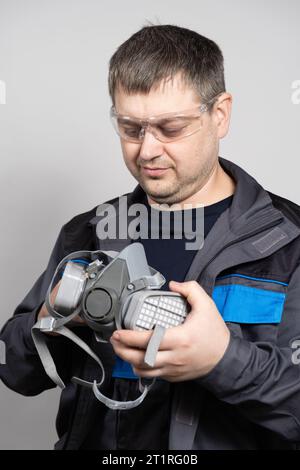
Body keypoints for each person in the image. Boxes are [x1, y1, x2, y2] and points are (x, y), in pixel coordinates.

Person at [1, 24, 300, 451]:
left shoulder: (289, 243)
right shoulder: (89, 234)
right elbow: (14, 370)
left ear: (220, 114)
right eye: (130, 128)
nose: (147, 150)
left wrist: (221, 361)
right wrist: (52, 316)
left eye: (171, 128)